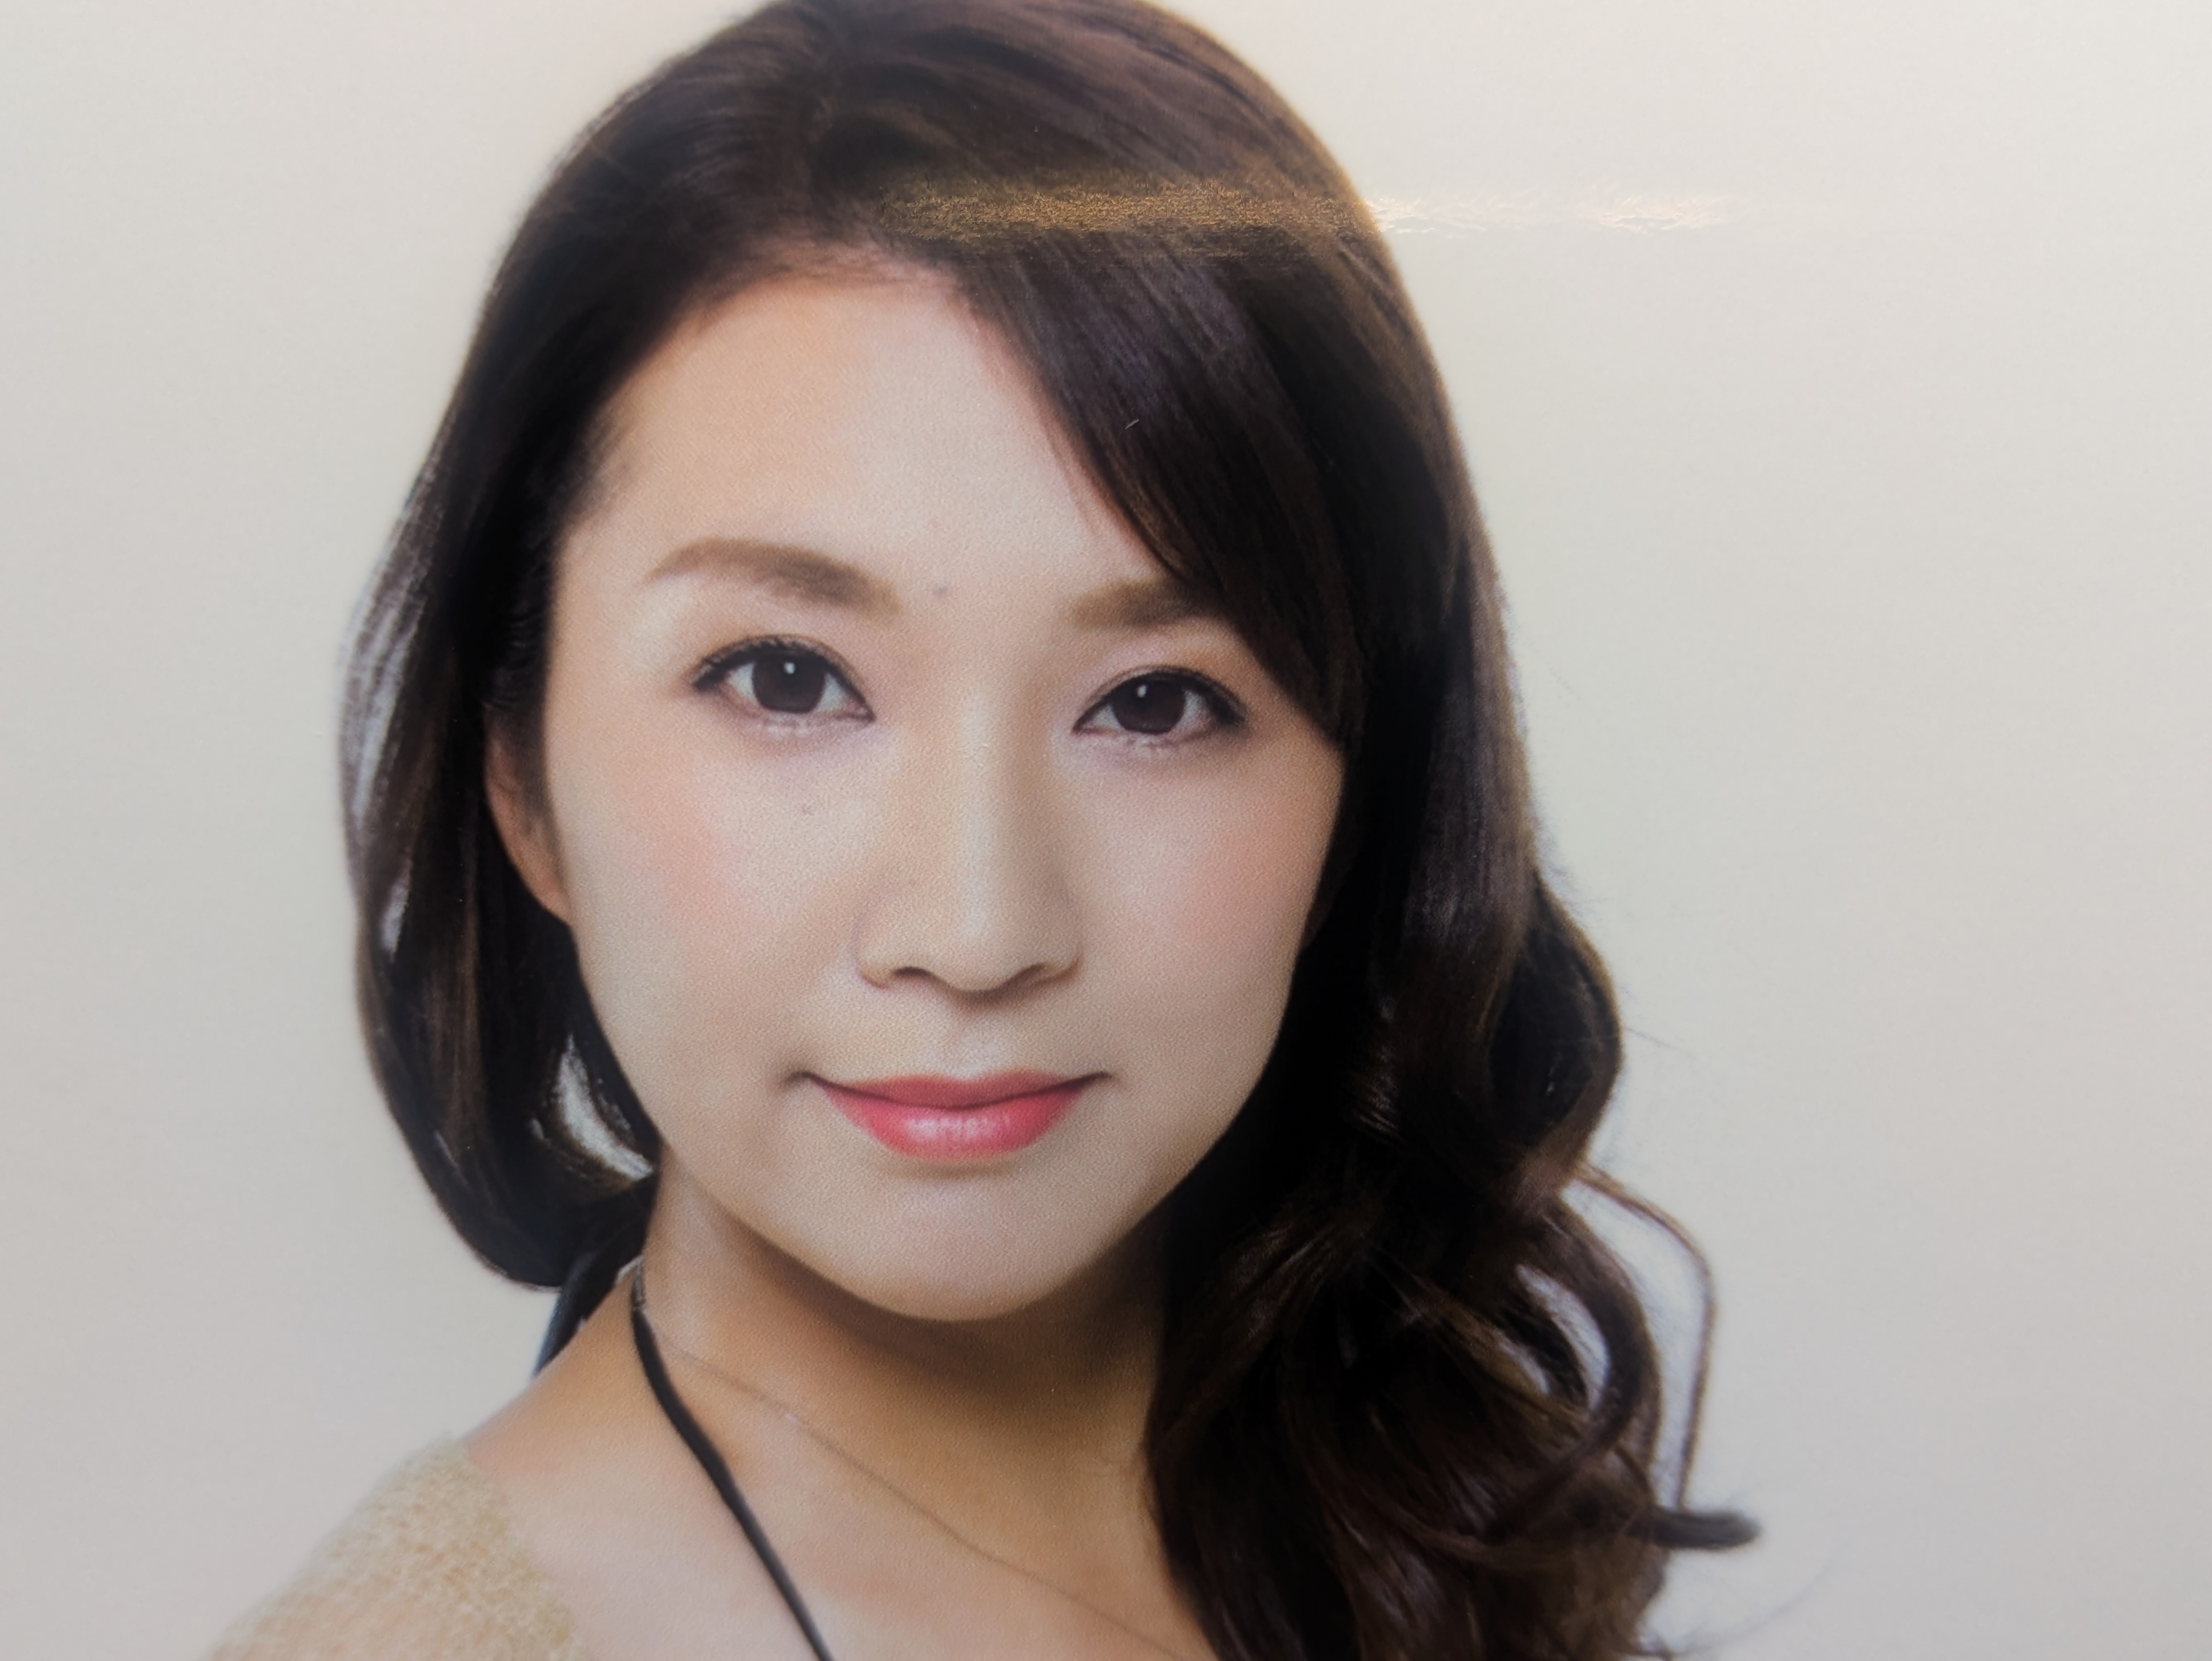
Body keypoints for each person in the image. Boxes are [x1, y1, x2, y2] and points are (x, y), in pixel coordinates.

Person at [208, 0, 1750, 1656]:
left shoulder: (1419, 1497)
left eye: (1153, 703)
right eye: (787, 678)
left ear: (1368, 786)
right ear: (520, 775)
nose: (977, 925)